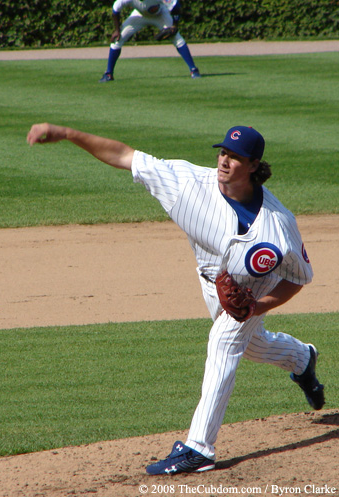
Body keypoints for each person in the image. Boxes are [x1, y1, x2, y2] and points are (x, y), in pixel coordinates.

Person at [27, 122, 325, 475]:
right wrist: (66, 133)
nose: (225, 161)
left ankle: (198, 448)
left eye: (235, 156)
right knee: (253, 346)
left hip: (251, 288)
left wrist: (259, 306)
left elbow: (298, 277)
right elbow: (123, 155)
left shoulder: (279, 224)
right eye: (223, 152)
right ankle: (301, 358)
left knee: (225, 341)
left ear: (254, 164)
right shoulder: (185, 183)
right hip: (210, 280)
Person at [99, 0, 201, 82]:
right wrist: (117, 30)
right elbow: (115, 9)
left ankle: (194, 70)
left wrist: (175, 25)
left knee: (177, 38)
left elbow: (176, 6)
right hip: (139, 15)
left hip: (160, 15)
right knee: (118, 40)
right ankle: (108, 74)